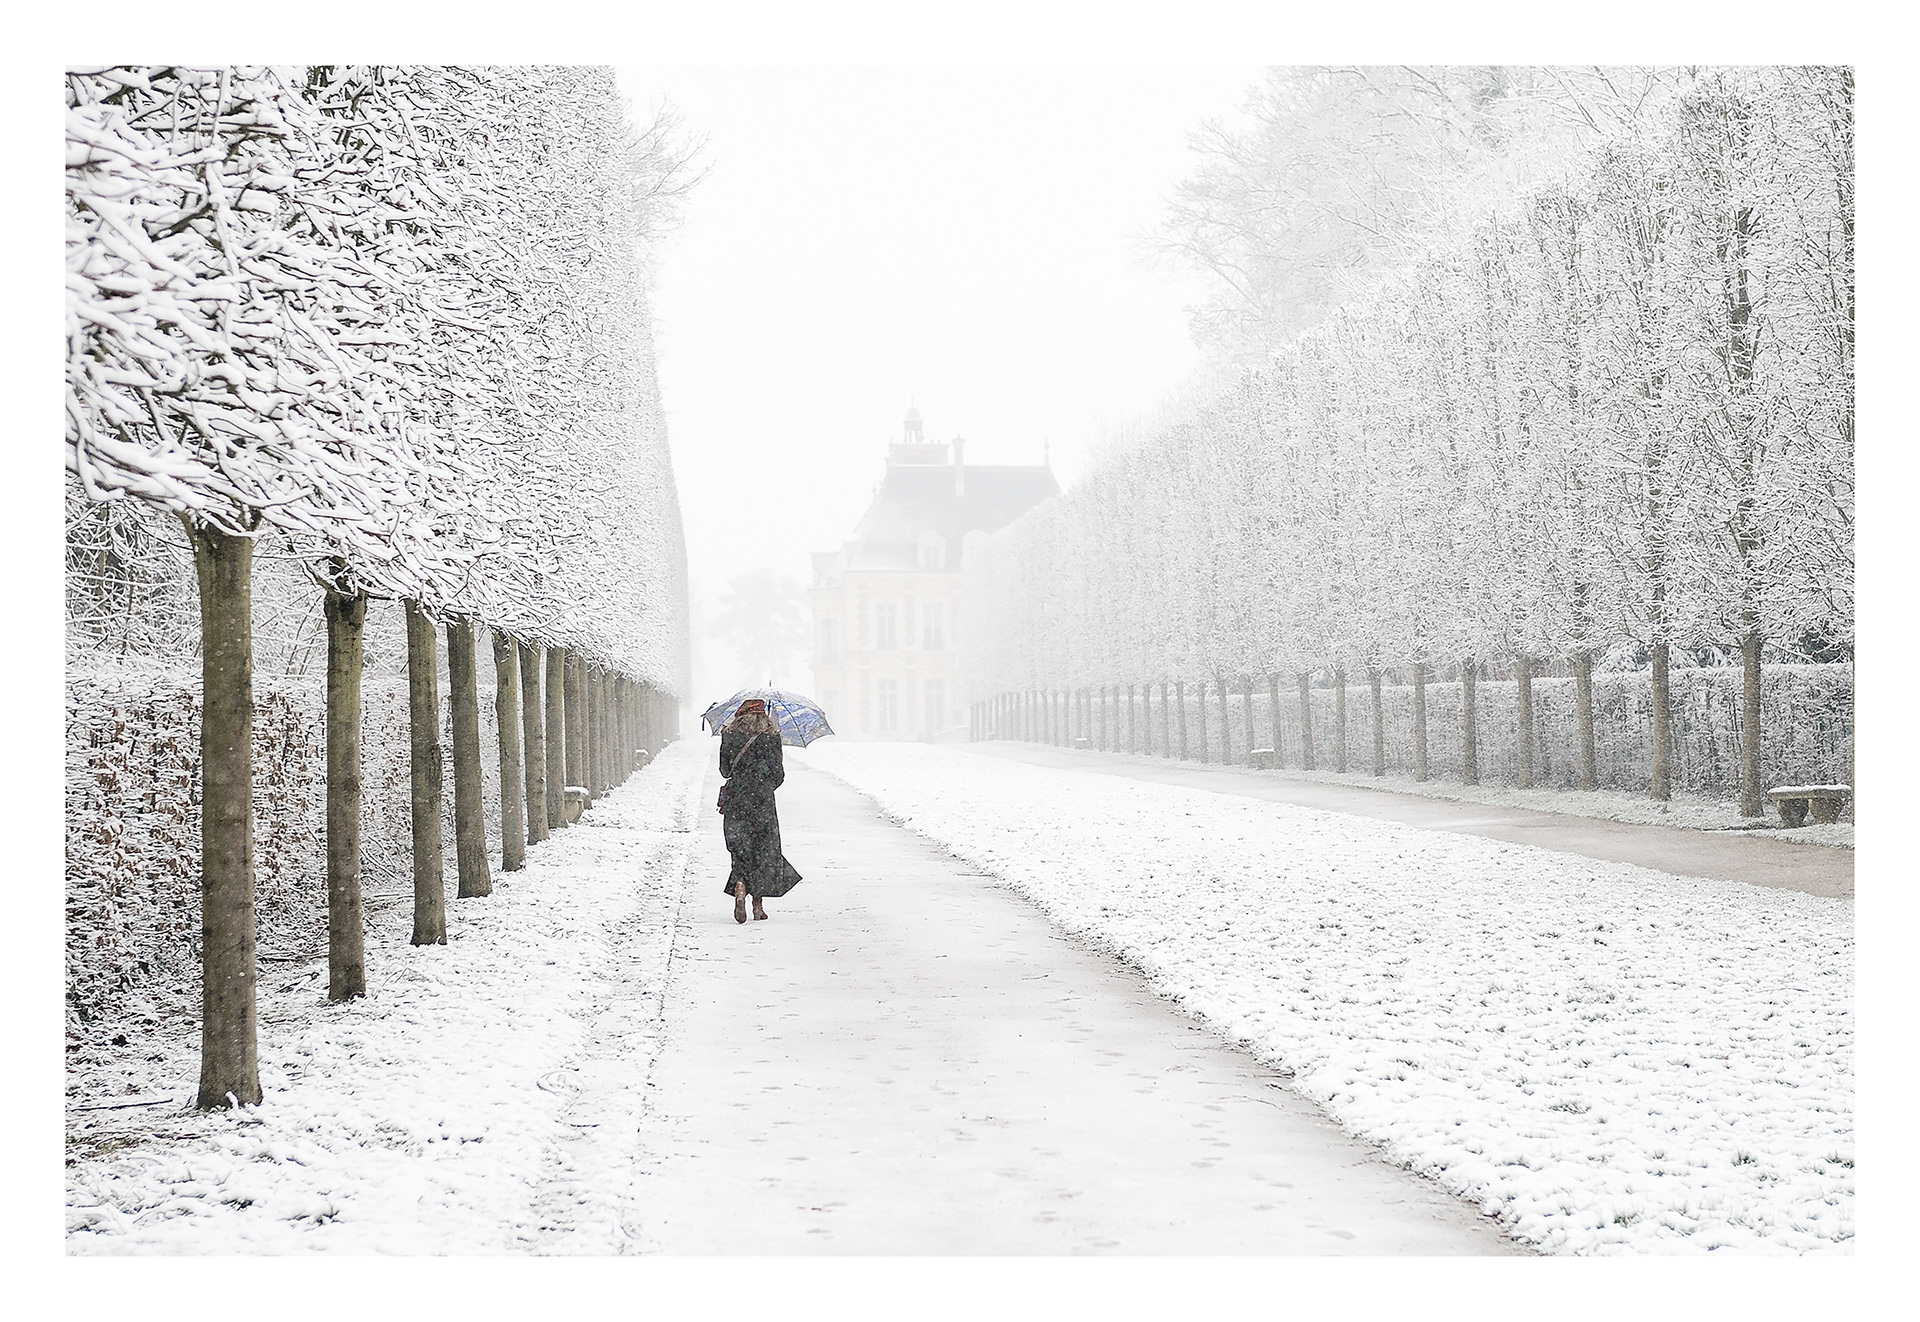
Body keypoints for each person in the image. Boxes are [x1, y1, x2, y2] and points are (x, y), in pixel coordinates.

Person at [718, 699, 803, 923]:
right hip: (763, 801)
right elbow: (779, 775)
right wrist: (763, 785)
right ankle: (757, 904)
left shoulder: (729, 735)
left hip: (737, 798)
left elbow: (725, 770)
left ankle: (739, 885)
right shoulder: (771, 736)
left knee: (740, 847)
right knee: (763, 849)